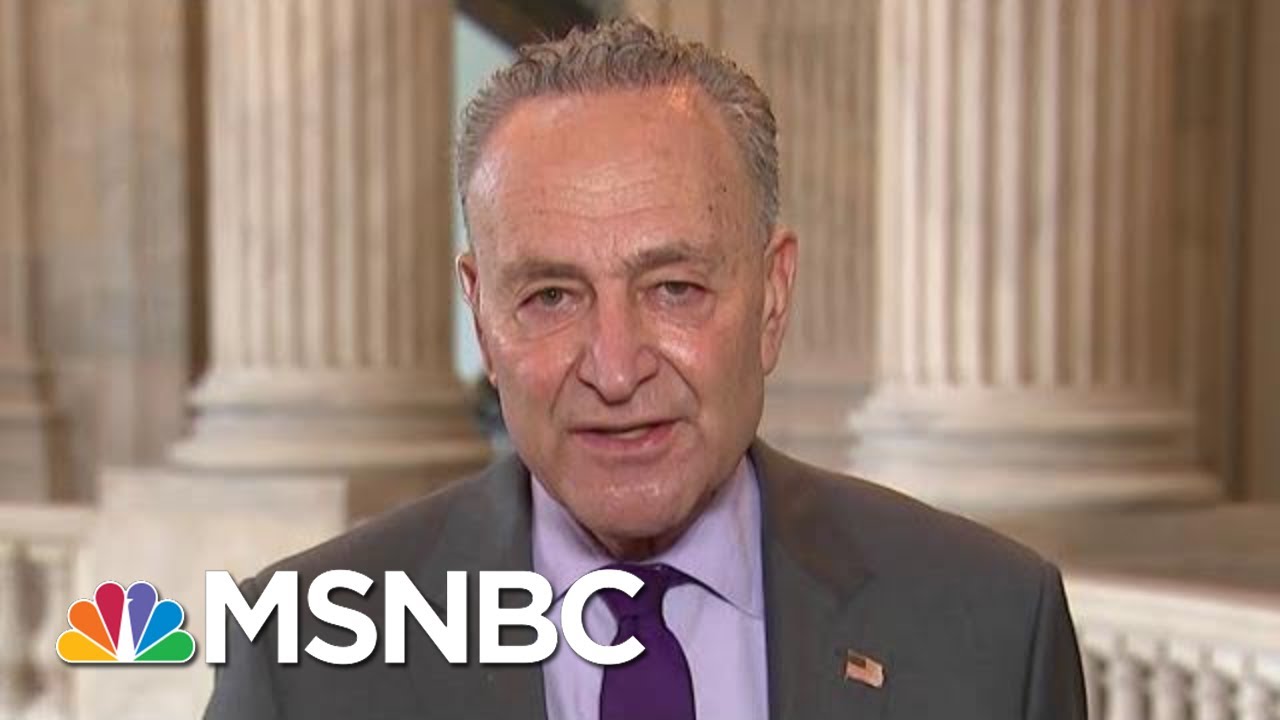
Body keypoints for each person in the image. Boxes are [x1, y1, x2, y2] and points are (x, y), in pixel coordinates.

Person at [205, 18, 1086, 720]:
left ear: (773, 298)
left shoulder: (994, 625)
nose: (616, 370)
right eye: (552, 296)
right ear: (481, 314)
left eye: (674, 288)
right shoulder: (300, 659)